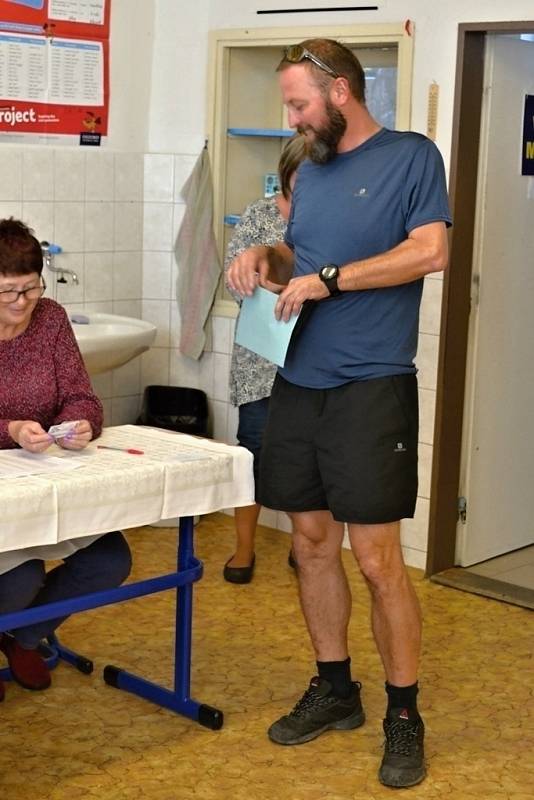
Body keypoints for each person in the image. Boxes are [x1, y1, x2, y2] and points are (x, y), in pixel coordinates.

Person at [227, 39, 451, 788]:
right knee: (311, 544)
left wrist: (331, 281)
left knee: (378, 558)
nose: (290, 116)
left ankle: (403, 713)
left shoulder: (412, 158)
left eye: (297, 103)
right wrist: (269, 259)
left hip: (371, 384)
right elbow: (299, 250)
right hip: (300, 379)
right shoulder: (308, 164)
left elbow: (428, 253)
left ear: (343, 93)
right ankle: (335, 687)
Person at [0, 218, 132, 701]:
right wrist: (9, 430)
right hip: (7, 487)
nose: (22, 304)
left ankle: (23, 638)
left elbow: (82, 396)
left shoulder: (51, 319)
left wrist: (80, 422)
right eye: (9, 292)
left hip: (49, 476)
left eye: (31, 290)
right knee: (22, 574)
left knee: (110, 560)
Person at [223, 134, 307, 584]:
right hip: (260, 363)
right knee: (252, 455)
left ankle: (304, 545)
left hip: (312, 364)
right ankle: (243, 549)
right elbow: (236, 277)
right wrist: (263, 280)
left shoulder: (329, 220)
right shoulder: (258, 215)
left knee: (305, 462)